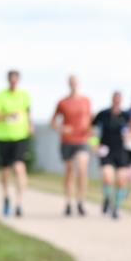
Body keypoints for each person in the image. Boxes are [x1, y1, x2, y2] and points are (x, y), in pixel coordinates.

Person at [0, 70, 32, 217]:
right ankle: (6, 196)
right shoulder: (0, 96)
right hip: (3, 137)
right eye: (11, 80)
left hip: (20, 136)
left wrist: (30, 125)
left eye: (16, 79)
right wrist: (8, 115)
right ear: (8, 80)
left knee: (20, 167)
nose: (14, 82)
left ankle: (19, 202)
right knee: (5, 171)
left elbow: (28, 112)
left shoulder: (24, 95)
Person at [51, 75, 93, 217]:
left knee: (82, 169)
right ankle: (68, 202)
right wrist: (61, 128)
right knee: (69, 172)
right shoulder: (62, 102)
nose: (74, 85)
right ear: (68, 84)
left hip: (82, 140)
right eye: (71, 83)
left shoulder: (86, 101)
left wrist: (93, 139)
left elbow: (90, 121)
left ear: (79, 84)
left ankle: (80, 201)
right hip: (67, 140)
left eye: (76, 82)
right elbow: (53, 122)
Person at [93, 91, 131, 220]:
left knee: (121, 181)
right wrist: (94, 144)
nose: (117, 101)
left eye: (119, 99)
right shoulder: (103, 114)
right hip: (106, 150)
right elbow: (90, 129)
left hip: (121, 151)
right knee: (108, 178)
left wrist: (130, 137)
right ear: (112, 99)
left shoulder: (126, 116)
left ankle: (116, 207)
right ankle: (108, 200)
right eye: (115, 99)